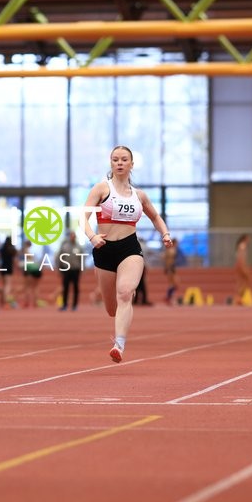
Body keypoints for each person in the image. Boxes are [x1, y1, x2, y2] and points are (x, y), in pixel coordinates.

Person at [83, 145, 173, 363]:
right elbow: (82, 218)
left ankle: (119, 345)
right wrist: (92, 237)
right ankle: (120, 316)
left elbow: (155, 217)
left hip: (129, 248)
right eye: (115, 160)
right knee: (111, 309)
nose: (120, 163)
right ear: (111, 163)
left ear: (131, 164)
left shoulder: (139, 195)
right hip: (103, 249)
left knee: (124, 292)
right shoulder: (101, 189)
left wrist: (165, 233)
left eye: (124, 159)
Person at [58, 231, 84, 311]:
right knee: (65, 287)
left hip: (76, 269)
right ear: (69, 236)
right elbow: (60, 257)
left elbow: (82, 259)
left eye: (74, 236)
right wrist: (60, 268)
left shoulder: (79, 247)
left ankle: (74, 305)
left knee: (76, 288)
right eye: (71, 236)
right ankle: (64, 304)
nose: (73, 237)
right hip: (66, 269)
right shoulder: (64, 246)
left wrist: (82, 268)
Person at [0, 236, 18, 307]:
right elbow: (15, 260)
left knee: (4, 284)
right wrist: (17, 267)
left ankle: (3, 300)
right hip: (9, 267)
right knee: (8, 284)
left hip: (3, 267)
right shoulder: (12, 249)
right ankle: (5, 299)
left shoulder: (2, 249)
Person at [235, 234, 251, 305]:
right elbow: (241, 257)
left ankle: (239, 298)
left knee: (243, 282)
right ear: (245, 239)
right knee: (245, 281)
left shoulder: (241, 246)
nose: (249, 240)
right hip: (240, 264)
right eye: (248, 238)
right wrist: (243, 266)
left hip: (240, 264)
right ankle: (238, 298)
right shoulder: (242, 245)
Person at [164, 237, 180, 305]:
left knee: (175, 284)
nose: (177, 244)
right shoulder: (170, 250)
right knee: (174, 283)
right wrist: (168, 268)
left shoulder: (172, 250)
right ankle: (169, 298)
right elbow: (167, 260)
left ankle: (169, 297)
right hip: (170, 268)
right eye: (177, 243)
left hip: (172, 268)